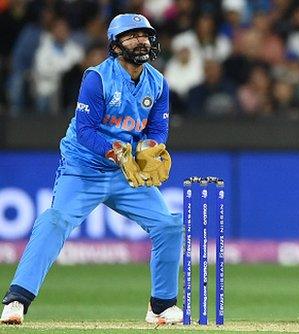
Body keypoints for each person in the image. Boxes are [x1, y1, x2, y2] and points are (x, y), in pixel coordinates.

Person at [1, 14, 182, 325]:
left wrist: (148, 149)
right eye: (132, 35)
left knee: (168, 225)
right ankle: (17, 300)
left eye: (145, 35)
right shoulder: (97, 78)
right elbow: (85, 130)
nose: (141, 40)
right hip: (83, 169)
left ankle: (161, 306)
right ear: (115, 45)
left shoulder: (158, 82)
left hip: (125, 175)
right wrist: (116, 152)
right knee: (55, 219)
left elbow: (156, 130)